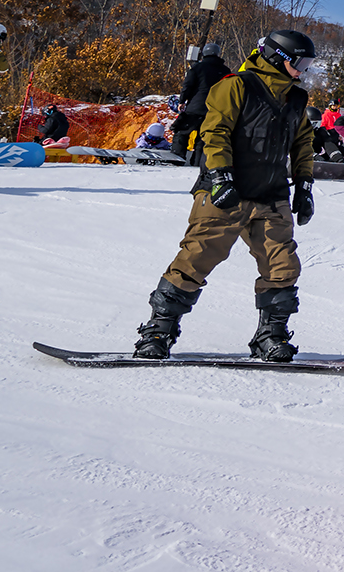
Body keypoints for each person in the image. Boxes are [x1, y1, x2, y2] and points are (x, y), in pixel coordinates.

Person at [129, 30, 319, 363]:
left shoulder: (295, 99)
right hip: (225, 191)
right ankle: (158, 330)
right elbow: (214, 132)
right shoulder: (235, 86)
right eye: (300, 62)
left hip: (271, 194)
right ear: (278, 57)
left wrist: (304, 186)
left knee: (283, 266)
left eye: (308, 64)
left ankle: (270, 335)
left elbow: (302, 145)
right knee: (195, 259)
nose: (304, 70)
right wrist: (220, 176)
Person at [174, 41, 231, 154]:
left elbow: (188, 85)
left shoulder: (197, 68)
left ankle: (177, 158)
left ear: (203, 53)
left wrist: (182, 101)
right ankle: (198, 162)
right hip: (214, 109)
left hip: (195, 107)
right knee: (203, 138)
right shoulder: (225, 71)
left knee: (182, 132)